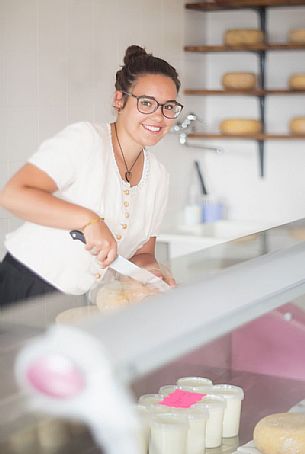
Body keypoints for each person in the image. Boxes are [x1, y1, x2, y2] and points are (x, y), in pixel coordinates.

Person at [0, 44, 183, 307]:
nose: (159, 116)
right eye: (146, 103)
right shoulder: (86, 140)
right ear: (119, 100)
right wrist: (88, 221)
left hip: (80, 300)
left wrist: (150, 272)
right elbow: (13, 195)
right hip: (26, 285)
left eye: (168, 107)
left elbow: (143, 252)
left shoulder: (159, 177)